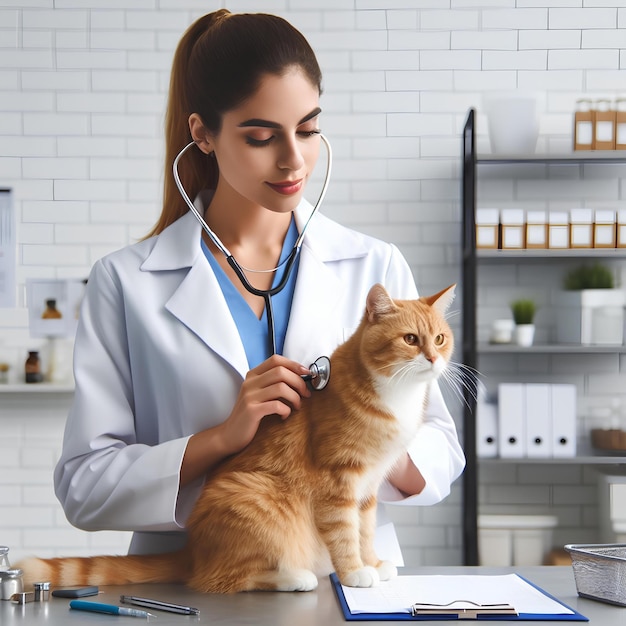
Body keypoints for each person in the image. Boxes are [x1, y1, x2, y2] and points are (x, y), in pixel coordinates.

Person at [54, 9, 465, 562]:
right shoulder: (126, 282)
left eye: (308, 128)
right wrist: (223, 438)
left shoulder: (373, 264)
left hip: (344, 578)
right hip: (197, 582)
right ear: (202, 134)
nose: (293, 159)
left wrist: (358, 429)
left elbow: (439, 443)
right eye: (260, 136)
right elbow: (85, 486)